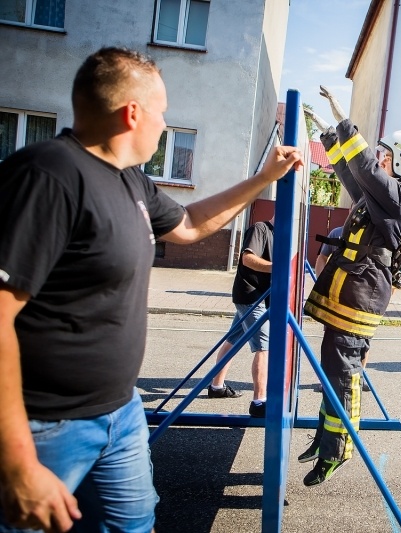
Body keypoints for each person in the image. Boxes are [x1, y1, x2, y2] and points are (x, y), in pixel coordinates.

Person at [0, 47, 303, 532]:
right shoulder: (47, 176)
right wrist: (16, 462)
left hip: (119, 412)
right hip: (47, 427)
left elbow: (189, 224)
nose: (164, 125)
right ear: (132, 113)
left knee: (134, 525)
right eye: (161, 112)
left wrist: (264, 178)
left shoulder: (130, 181)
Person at [302, 86, 401, 486]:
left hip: (364, 290)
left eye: (385, 154)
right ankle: (325, 436)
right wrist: (330, 135)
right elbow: (353, 174)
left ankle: (338, 448)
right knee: (332, 361)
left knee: (344, 367)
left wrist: (345, 121)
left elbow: (367, 169)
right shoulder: (383, 197)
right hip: (354, 285)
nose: (380, 158)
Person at [206, 220, 275, 418]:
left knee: (233, 339)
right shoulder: (260, 229)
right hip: (251, 296)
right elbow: (247, 259)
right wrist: (277, 267)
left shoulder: (279, 235)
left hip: (260, 296)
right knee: (264, 346)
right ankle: (259, 402)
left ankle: (216, 387)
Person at [313, 226, 371, 394]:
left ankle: (359, 377)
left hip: (363, 299)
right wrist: (322, 281)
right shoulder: (337, 233)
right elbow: (322, 257)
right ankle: (326, 380)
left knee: (363, 341)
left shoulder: (376, 231)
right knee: (331, 341)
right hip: (336, 297)